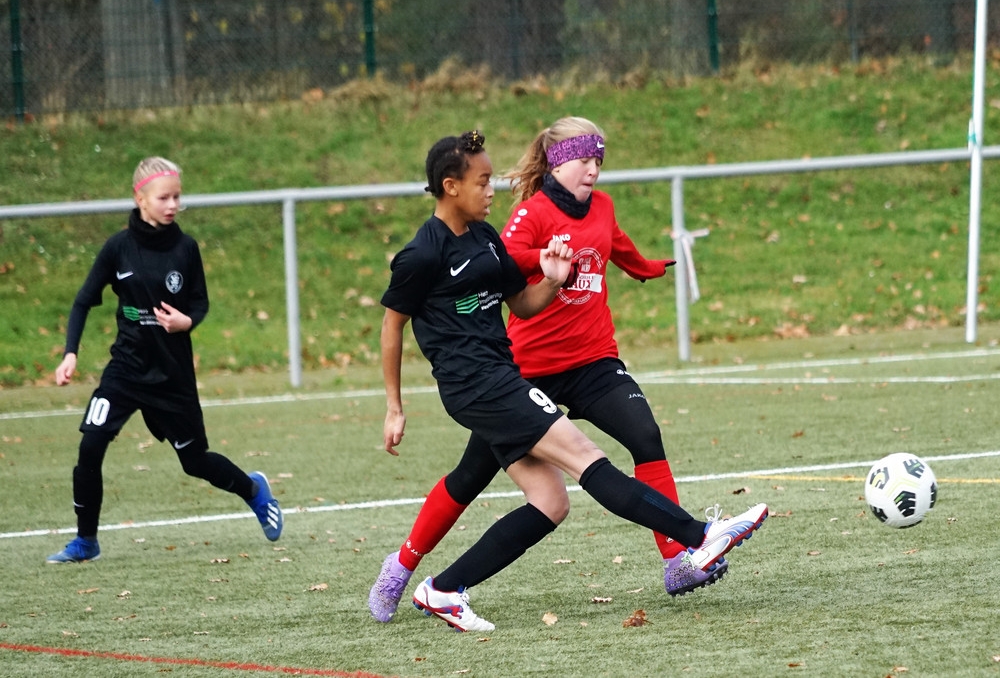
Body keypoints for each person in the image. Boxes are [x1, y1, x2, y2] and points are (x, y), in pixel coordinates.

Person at [377, 131, 767, 631]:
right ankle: (698, 536)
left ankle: (445, 589)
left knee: (551, 502)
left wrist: (553, 279)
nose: (492, 190)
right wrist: (394, 407)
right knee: (584, 457)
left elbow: (522, 305)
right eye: (482, 181)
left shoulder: (486, 239)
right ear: (450, 186)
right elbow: (392, 326)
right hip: (478, 388)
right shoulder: (422, 254)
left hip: (503, 376)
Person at [46, 156, 283, 564]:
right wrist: (70, 354)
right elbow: (83, 301)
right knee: (91, 445)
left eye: (177, 197)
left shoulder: (186, 248)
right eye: (164, 197)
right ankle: (86, 541)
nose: (173, 205)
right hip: (125, 370)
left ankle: (254, 490)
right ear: (140, 198)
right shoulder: (118, 248)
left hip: (171, 375)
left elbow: (200, 303)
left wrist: (185, 322)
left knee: (195, 462)